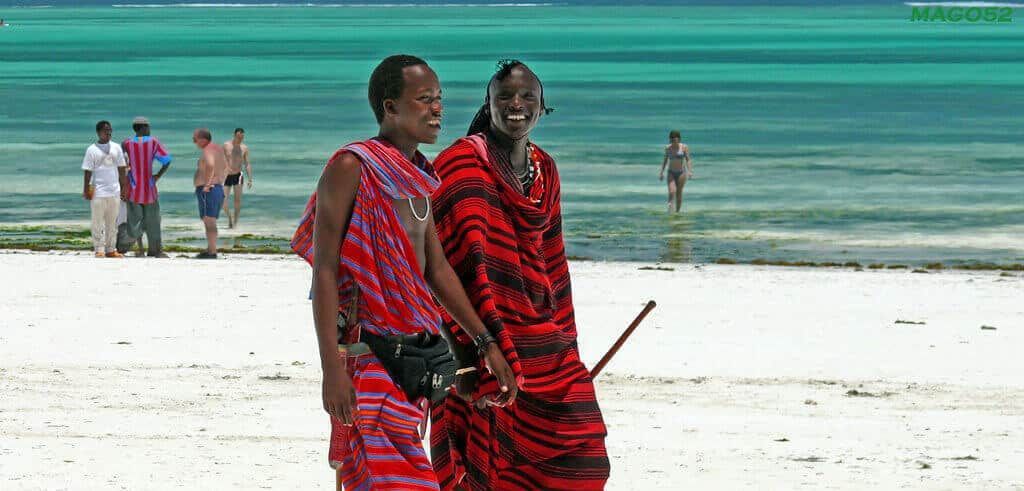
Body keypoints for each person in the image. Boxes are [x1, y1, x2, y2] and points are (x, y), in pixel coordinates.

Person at [290, 54, 516, 490]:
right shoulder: (350, 167)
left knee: (382, 479)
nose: (437, 109)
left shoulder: (418, 178)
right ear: (390, 107)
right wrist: (330, 370)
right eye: (424, 99)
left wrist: (484, 341)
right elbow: (324, 270)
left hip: (415, 359)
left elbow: (436, 269)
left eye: (439, 99)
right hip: (367, 357)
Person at [429, 60, 610, 490]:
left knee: (583, 457)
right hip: (477, 338)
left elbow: (554, 262)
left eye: (528, 96)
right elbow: (438, 265)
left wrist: (567, 341)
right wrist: (472, 347)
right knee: (484, 462)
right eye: (504, 96)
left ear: (542, 106)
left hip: (543, 339)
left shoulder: (546, 170)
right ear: (487, 104)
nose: (516, 104)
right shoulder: (457, 166)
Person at [118, 116, 172, 257]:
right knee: (153, 220)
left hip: (133, 188)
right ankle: (155, 250)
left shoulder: (126, 143)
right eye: (148, 127)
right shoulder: (153, 142)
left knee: (135, 220)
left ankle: (131, 244)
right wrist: (157, 176)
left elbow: (122, 166)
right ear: (143, 127)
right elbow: (167, 160)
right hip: (149, 188)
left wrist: (122, 186)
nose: (149, 130)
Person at [81, 120, 128, 258]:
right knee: (97, 221)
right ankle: (99, 249)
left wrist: (124, 188)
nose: (108, 133)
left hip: (114, 190)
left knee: (112, 222)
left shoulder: (116, 147)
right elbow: (87, 171)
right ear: (98, 132)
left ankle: (111, 249)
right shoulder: (92, 149)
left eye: (110, 130)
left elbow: (121, 169)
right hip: (98, 191)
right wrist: (86, 189)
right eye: (105, 130)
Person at [192, 128, 228, 259]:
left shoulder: (207, 150)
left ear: (202, 139)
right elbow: (225, 167)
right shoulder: (218, 150)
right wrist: (219, 181)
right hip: (217, 188)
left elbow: (210, 165)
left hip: (209, 190)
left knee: (209, 220)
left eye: (195, 139)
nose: (194, 142)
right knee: (210, 220)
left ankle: (212, 251)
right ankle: (210, 248)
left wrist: (207, 184)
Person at [221, 127, 253, 228]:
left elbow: (247, 164)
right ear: (234, 135)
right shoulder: (226, 145)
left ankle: (235, 223)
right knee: (222, 200)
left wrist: (250, 179)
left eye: (242, 137)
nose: (240, 139)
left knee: (237, 201)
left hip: (238, 175)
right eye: (239, 137)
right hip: (226, 176)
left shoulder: (244, 148)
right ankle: (230, 218)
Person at [659, 129, 692, 213]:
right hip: (671, 172)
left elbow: (688, 160)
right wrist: (661, 172)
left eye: (675, 139)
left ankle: (677, 212)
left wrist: (690, 171)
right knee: (672, 191)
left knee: (679, 193)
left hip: (681, 173)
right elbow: (665, 160)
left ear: (679, 139)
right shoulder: (668, 148)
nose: (674, 141)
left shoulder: (684, 147)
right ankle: (670, 208)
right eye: (672, 139)